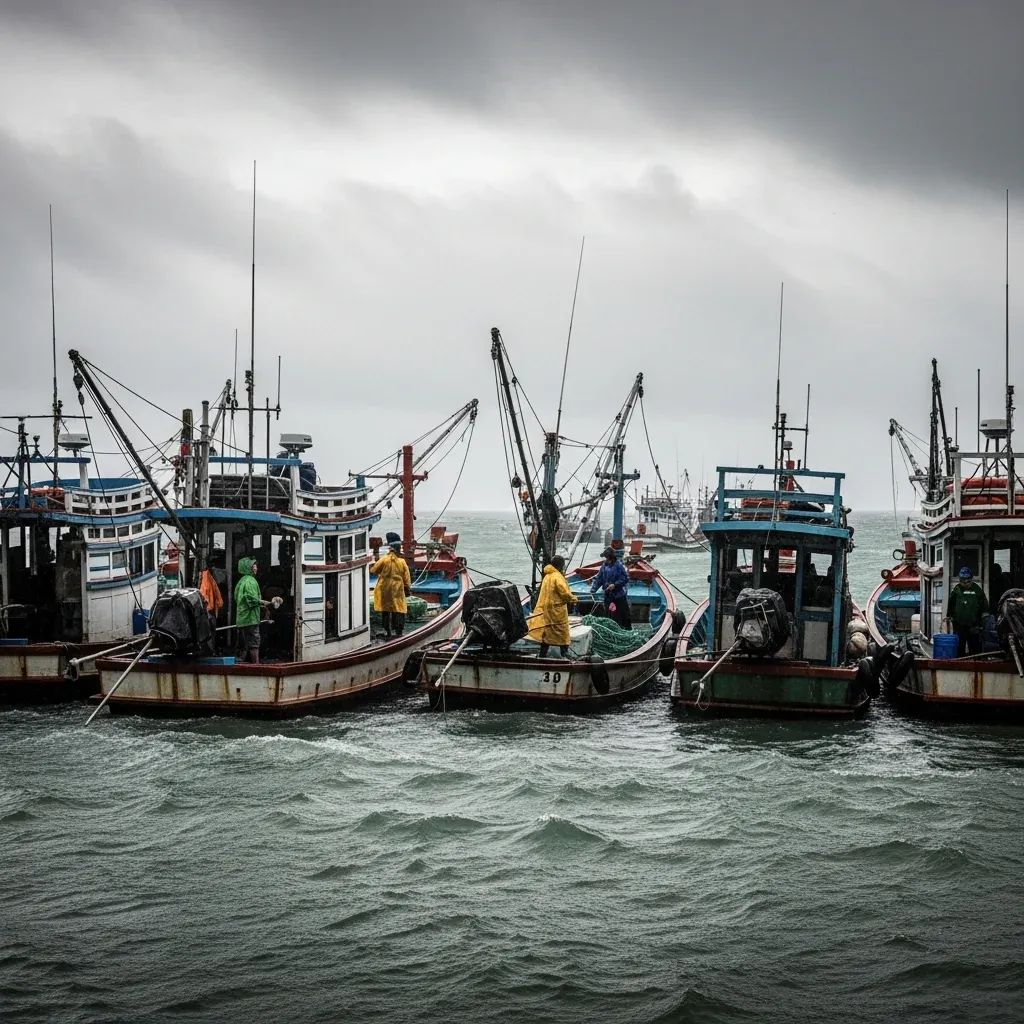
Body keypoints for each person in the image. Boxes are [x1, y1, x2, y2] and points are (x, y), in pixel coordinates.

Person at [528, 554, 578, 658]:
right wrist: (574, 599)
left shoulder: (547, 576)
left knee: (546, 633)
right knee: (563, 633)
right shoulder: (558, 577)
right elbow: (564, 593)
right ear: (560, 565)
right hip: (557, 611)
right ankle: (565, 654)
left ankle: (542, 655)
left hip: (546, 610)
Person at [370, 539, 412, 638]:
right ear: (398, 551)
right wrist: (407, 589)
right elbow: (407, 578)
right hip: (397, 589)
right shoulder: (402, 562)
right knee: (399, 610)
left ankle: (388, 632)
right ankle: (399, 632)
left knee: (386, 610)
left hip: (384, 588)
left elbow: (374, 570)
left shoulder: (384, 559)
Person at [947, 565, 989, 657]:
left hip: (974, 625)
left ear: (971, 579)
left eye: (968, 580)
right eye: (963, 580)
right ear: (960, 580)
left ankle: (976, 664)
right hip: (958, 625)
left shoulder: (977, 590)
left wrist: (982, 621)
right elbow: (951, 604)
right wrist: (949, 615)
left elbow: (984, 606)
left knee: (974, 648)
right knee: (959, 647)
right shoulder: (956, 590)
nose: (965, 582)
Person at [590, 546, 631, 629]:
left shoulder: (619, 566)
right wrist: (593, 590)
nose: (606, 559)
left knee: (624, 615)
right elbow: (599, 579)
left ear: (611, 557)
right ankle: (612, 629)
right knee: (609, 615)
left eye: (607, 557)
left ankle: (626, 629)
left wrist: (615, 585)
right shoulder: (604, 566)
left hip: (619, 596)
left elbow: (625, 578)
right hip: (608, 596)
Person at [234, 556, 264, 663]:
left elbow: (237, 598)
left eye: (255, 565)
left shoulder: (241, 581)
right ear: (248, 568)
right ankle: (256, 665)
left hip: (242, 618)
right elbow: (251, 599)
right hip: (250, 618)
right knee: (254, 643)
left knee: (245, 643)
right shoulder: (250, 581)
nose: (256, 568)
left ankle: (243, 664)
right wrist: (264, 603)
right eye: (253, 566)